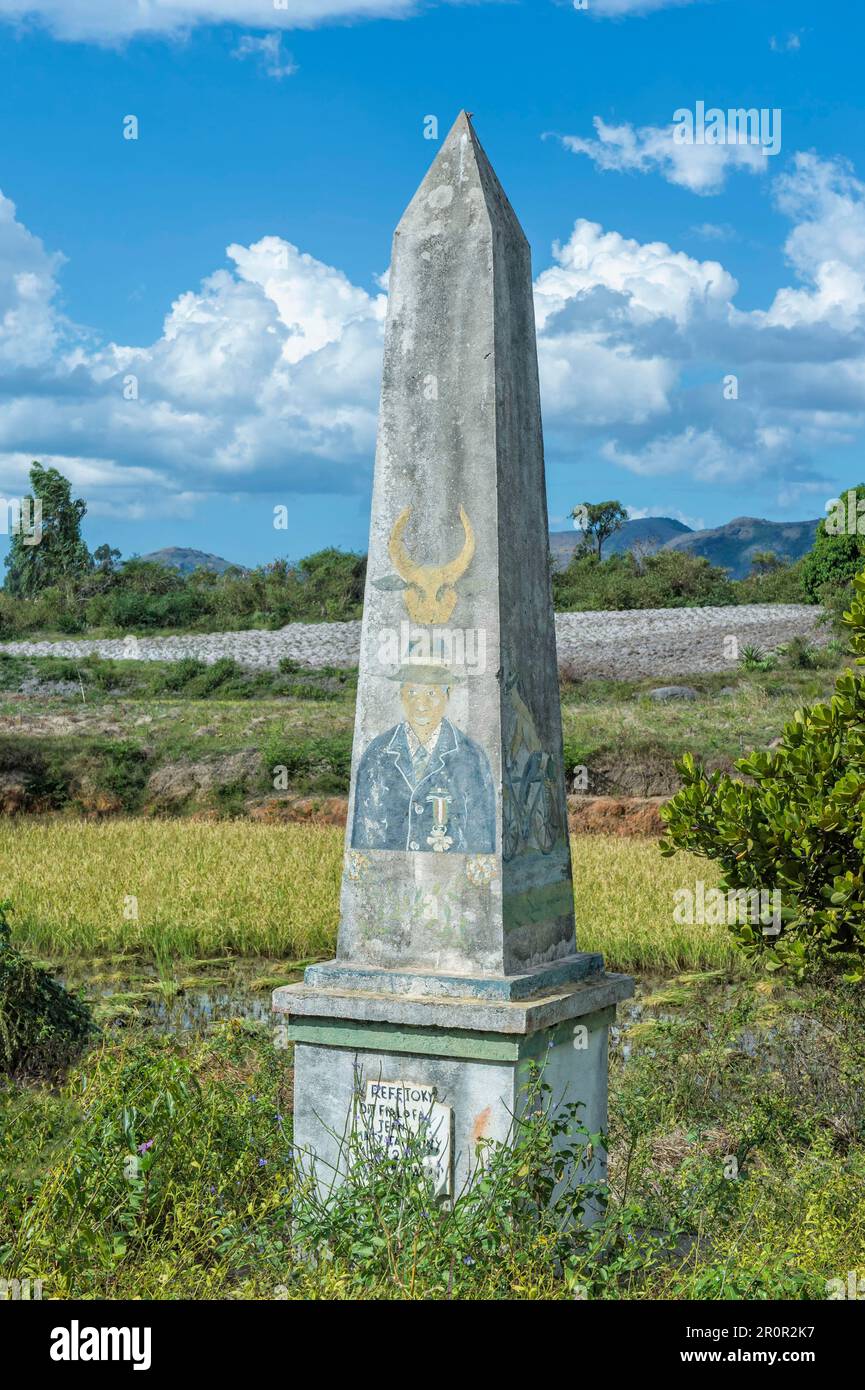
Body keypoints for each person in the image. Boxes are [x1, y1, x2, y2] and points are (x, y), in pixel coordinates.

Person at [351, 663, 495, 854]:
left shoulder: (470, 756)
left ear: (447, 695)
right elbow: (364, 837)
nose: (421, 704)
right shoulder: (378, 754)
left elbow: (481, 839)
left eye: (431, 694)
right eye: (412, 693)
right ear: (401, 695)